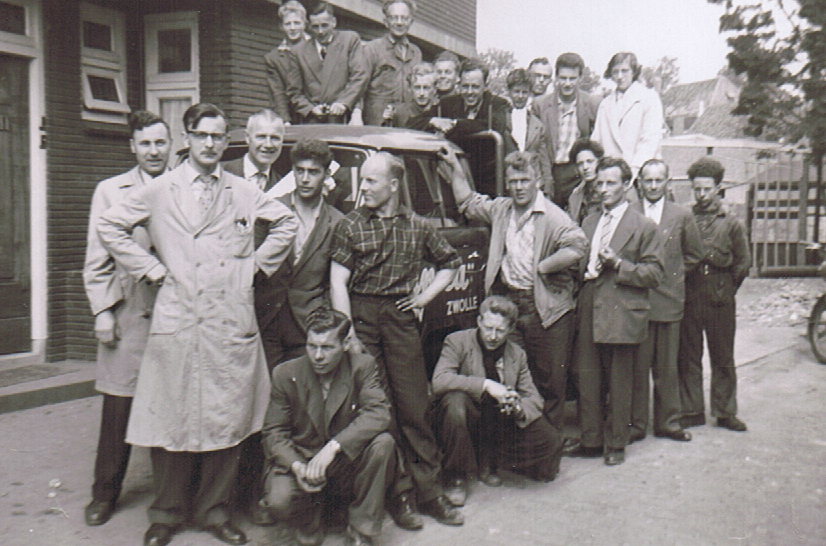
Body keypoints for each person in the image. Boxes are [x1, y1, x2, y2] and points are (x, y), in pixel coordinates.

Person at [97, 103, 298, 546]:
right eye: (202, 135)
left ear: (227, 142)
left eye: (218, 137)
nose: (210, 144)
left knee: (227, 416)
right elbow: (110, 226)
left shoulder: (242, 189)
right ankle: (166, 515)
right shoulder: (161, 188)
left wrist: (255, 268)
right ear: (186, 138)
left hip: (229, 317)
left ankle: (215, 511)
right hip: (177, 315)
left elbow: (285, 221)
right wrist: (148, 268)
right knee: (170, 415)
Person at [329, 152, 464, 528]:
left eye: (371, 181)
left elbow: (450, 264)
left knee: (414, 407)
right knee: (379, 408)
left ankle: (431, 493)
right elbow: (337, 281)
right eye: (363, 180)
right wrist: (348, 331)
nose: (364, 188)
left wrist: (422, 298)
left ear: (393, 185)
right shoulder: (351, 225)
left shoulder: (418, 227)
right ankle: (399, 494)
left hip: (401, 320)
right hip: (362, 318)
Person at [442, 147, 587, 432]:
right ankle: (517, 446)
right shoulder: (502, 209)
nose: (519, 187)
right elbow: (467, 201)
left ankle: (548, 448)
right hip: (510, 305)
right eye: (513, 181)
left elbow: (579, 244)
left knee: (550, 383)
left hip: (546, 310)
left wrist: (545, 267)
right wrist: (454, 167)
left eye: (525, 180)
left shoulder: (553, 216)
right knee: (513, 377)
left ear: (538, 181)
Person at [82, 110, 171, 527]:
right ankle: (105, 493)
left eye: (160, 142)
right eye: (145, 143)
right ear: (132, 146)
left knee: (170, 407)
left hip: (174, 313)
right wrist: (103, 311)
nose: (154, 151)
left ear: (170, 146)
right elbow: (96, 262)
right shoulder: (110, 191)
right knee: (118, 407)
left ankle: (171, 501)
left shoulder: (182, 185)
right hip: (130, 313)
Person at [261, 307, 396, 546]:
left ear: (345, 344)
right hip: (302, 460)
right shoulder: (285, 373)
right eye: (312, 346)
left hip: (343, 460)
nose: (318, 356)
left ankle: (360, 529)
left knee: (383, 444)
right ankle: (309, 521)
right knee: (279, 501)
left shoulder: (362, 366)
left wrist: (333, 447)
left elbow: (379, 412)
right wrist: (297, 466)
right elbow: (273, 433)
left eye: (327, 347)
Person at [567, 156, 663, 466]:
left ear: (626, 186)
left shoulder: (643, 226)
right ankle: (591, 440)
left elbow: (654, 274)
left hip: (622, 303)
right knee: (587, 376)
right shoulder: (590, 221)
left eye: (611, 183)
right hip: (590, 301)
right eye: (600, 183)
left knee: (620, 380)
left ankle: (617, 443)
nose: (604, 189)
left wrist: (620, 264)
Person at [431, 296, 563, 507]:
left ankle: (492, 461)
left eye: (500, 331)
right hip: (466, 419)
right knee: (455, 401)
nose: (492, 336)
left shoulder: (516, 354)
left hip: (498, 423)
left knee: (551, 441)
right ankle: (455, 477)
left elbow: (533, 398)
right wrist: (486, 385)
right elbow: (439, 381)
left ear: (510, 329)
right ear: (479, 321)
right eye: (488, 328)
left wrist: (517, 407)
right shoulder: (457, 341)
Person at [628, 159, 703, 444]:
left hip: (669, 302)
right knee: (637, 367)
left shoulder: (681, 215)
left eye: (659, 180)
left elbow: (694, 254)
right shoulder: (631, 212)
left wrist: (672, 275)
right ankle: (636, 423)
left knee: (667, 368)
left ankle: (668, 422)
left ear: (668, 182)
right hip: (637, 301)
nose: (654, 185)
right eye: (648, 180)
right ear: (640, 183)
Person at [678, 157, 751, 432]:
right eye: (697, 189)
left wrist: (727, 288)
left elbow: (743, 262)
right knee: (689, 355)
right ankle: (692, 410)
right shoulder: (686, 218)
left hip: (721, 296)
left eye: (707, 189)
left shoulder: (731, 223)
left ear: (718, 188)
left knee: (722, 355)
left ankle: (725, 411)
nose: (701, 195)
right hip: (691, 291)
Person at [259, 139, 345, 368]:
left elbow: (335, 282)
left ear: (326, 175)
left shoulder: (337, 222)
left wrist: (324, 322)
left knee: (303, 395)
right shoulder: (271, 209)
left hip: (309, 325)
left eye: (313, 172)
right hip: (267, 319)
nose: (305, 179)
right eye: (300, 171)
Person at [527, 53, 601, 208]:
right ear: (556, 78)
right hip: (551, 170)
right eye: (563, 78)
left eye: (572, 78)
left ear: (580, 78)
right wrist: (545, 179)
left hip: (577, 171)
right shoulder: (540, 105)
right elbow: (538, 146)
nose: (567, 84)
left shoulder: (592, 103)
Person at [411, 58, 517, 155]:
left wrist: (455, 124)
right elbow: (412, 123)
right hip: (456, 169)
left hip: (488, 171)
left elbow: (496, 125)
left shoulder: (497, 103)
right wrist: (433, 121)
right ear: (459, 84)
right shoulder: (448, 103)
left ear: (485, 86)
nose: (469, 92)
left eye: (475, 87)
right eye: (465, 86)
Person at [291, 2, 369, 124]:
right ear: (309, 26)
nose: (320, 31)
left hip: (343, 119)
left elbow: (359, 76)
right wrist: (310, 108)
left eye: (324, 25)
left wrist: (343, 102)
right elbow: (294, 91)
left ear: (334, 22)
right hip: (312, 121)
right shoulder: (298, 51)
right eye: (315, 26)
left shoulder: (349, 40)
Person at [592, 52, 664, 178]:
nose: (620, 76)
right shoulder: (605, 104)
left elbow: (650, 139)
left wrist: (634, 170)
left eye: (624, 71)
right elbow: (596, 141)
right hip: (611, 175)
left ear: (634, 72)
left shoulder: (649, 97)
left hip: (641, 172)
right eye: (615, 72)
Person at [362, 0, 423, 126]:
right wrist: (356, 114)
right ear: (386, 21)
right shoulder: (372, 49)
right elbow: (360, 85)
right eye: (394, 18)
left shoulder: (416, 52)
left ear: (411, 21)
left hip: (408, 122)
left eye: (404, 18)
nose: (399, 22)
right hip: (378, 122)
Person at [263, 0, 307, 124]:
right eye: (288, 24)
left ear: (305, 24)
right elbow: (278, 93)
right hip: (294, 117)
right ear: (281, 27)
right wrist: (285, 120)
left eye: (297, 23)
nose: (292, 28)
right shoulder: (273, 58)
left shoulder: (317, 48)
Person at [222, 109, 285, 193]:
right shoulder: (222, 173)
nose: (268, 145)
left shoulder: (282, 186)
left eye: (275, 138)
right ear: (248, 137)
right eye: (261, 137)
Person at [566, 139, 605, 225]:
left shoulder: (608, 190)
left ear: (599, 162)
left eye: (590, 161)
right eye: (580, 164)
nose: (585, 167)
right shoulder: (576, 196)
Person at [505, 68, 532, 150]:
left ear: (529, 93)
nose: (520, 96)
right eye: (516, 91)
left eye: (524, 92)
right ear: (509, 91)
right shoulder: (501, 117)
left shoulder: (536, 124)